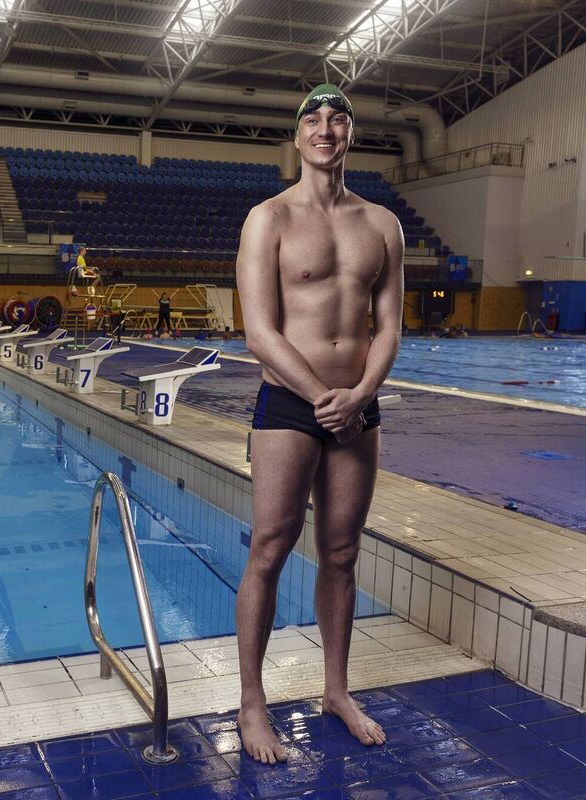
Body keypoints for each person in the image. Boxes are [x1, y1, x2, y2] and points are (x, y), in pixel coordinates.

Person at [234, 83, 404, 764]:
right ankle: (252, 702)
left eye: (337, 119)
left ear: (349, 134)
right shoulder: (268, 218)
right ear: (297, 135)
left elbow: (389, 327)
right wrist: (323, 397)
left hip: (357, 405)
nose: (325, 128)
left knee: (340, 554)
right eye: (313, 117)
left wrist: (360, 392)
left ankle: (336, 690)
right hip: (290, 404)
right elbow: (259, 331)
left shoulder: (382, 224)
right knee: (270, 549)